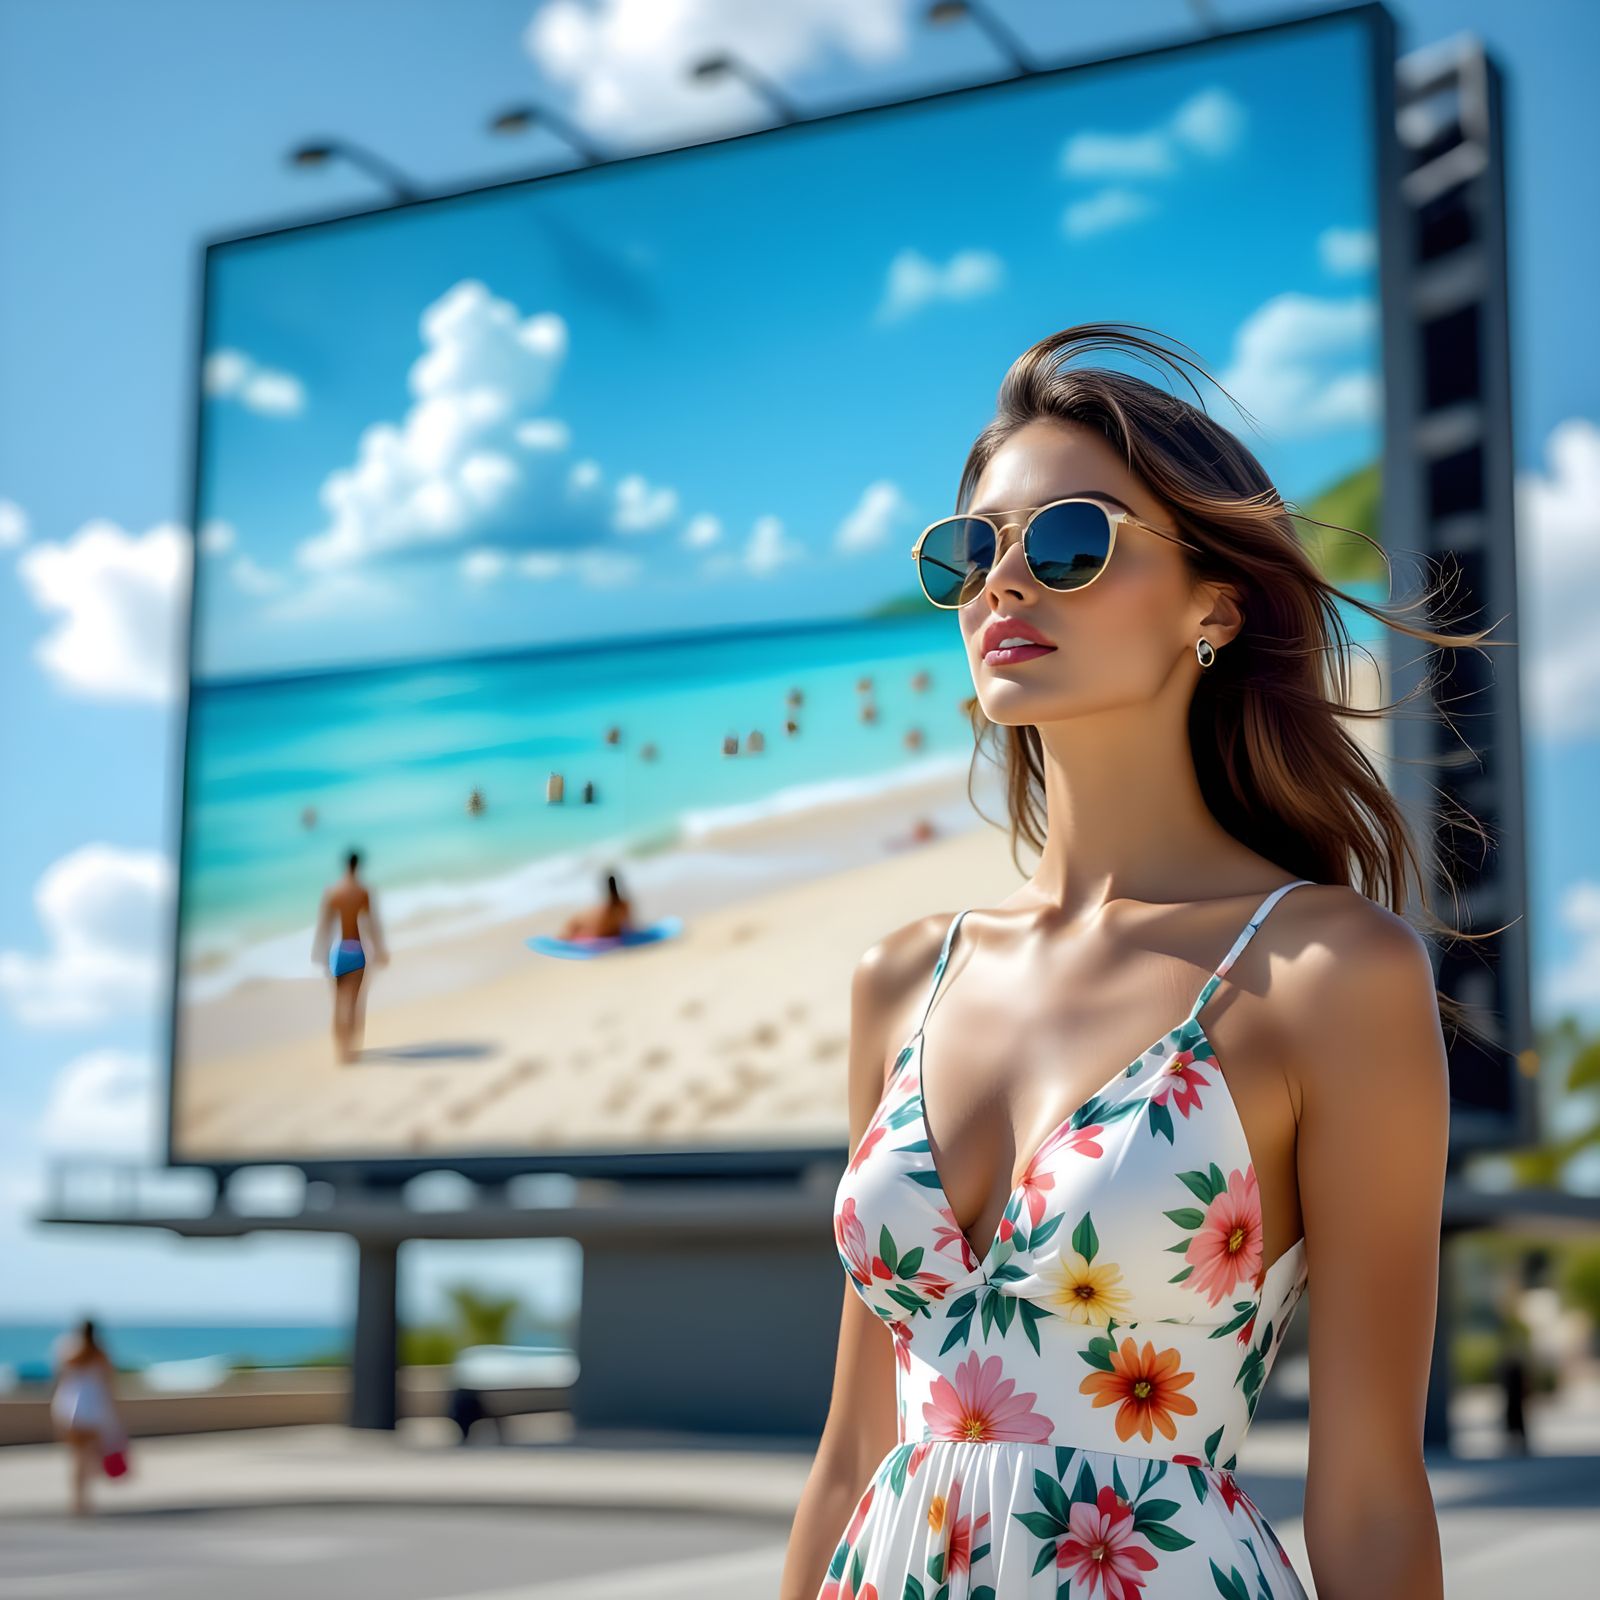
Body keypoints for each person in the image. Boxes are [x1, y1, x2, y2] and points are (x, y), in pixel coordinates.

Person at [784, 324, 1500, 1600]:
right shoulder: (904, 977)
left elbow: (1372, 1490)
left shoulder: (1328, 971)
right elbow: (852, 1458)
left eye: (1069, 542)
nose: (1006, 583)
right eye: (973, 552)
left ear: (1213, 605)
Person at [311, 848, 389, 1064]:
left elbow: (324, 928)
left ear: (345, 865)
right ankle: (352, 1050)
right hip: (356, 950)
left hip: (338, 951)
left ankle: (340, 1052)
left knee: (338, 1004)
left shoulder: (333, 892)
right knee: (355, 1003)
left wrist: (320, 955)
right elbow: (372, 925)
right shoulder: (362, 892)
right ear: (358, 866)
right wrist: (380, 950)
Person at [49, 1318, 122, 1517]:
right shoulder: (100, 1353)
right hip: (92, 1407)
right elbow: (108, 1383)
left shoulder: (67, 1350)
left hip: (70, 1406)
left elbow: (61, 1379)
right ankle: (85, 1499)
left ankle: (78, 1500)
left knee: (77, 1456)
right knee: (89, 1455)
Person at [559, 870, 634, 940]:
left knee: (572, 931)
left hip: (596, 928)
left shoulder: (610, 908)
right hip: (595, 927)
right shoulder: (621, 906)